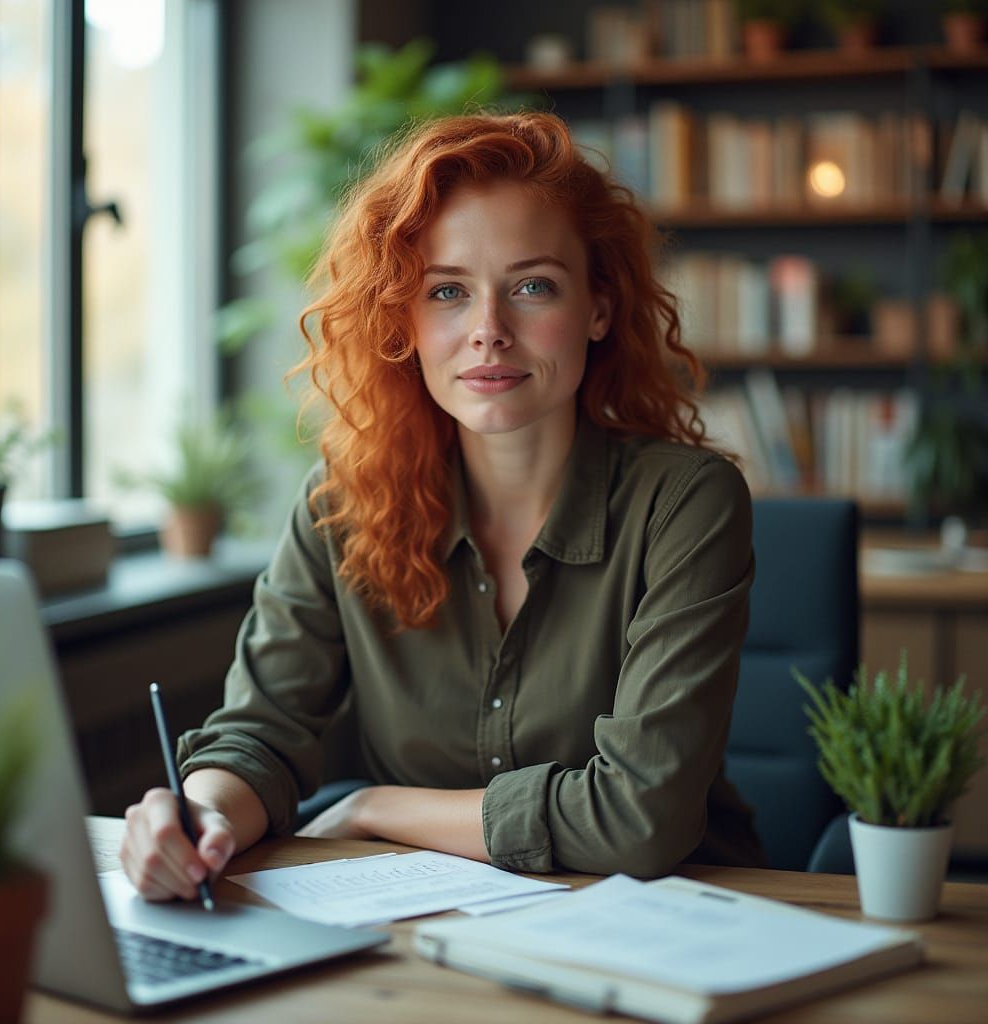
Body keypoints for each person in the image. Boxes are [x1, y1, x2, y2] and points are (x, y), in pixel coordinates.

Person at [120, 111, 764, 904]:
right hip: (425, 932)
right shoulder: (340, 504)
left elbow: (643, 816)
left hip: (677, 922)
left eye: (532, 287)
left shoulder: (685, 504)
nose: (488, 331)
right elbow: (259, 734)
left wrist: (371, 807)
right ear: (406, 318)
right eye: (448, 292)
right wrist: (199, 816)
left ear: (599, 308)